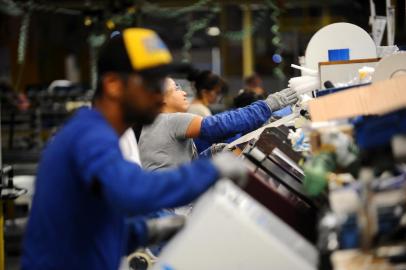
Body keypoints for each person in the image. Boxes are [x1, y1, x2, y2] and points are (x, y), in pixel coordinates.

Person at [21, 28, 246, 270]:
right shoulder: (89, 136)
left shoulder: (108, 133)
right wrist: (210, 170)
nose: (160, 93)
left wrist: (143, 233)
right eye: (151, 83)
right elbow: (133, 191)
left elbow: (92, 224)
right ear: (114, 85)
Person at [137, 76, 298, 171]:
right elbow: (219, 126)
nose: (184, 92)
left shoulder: (158, 123)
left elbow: (185, 165)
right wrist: (268, 105)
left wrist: (212, 152)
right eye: (177, 88)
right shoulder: (168, 120)